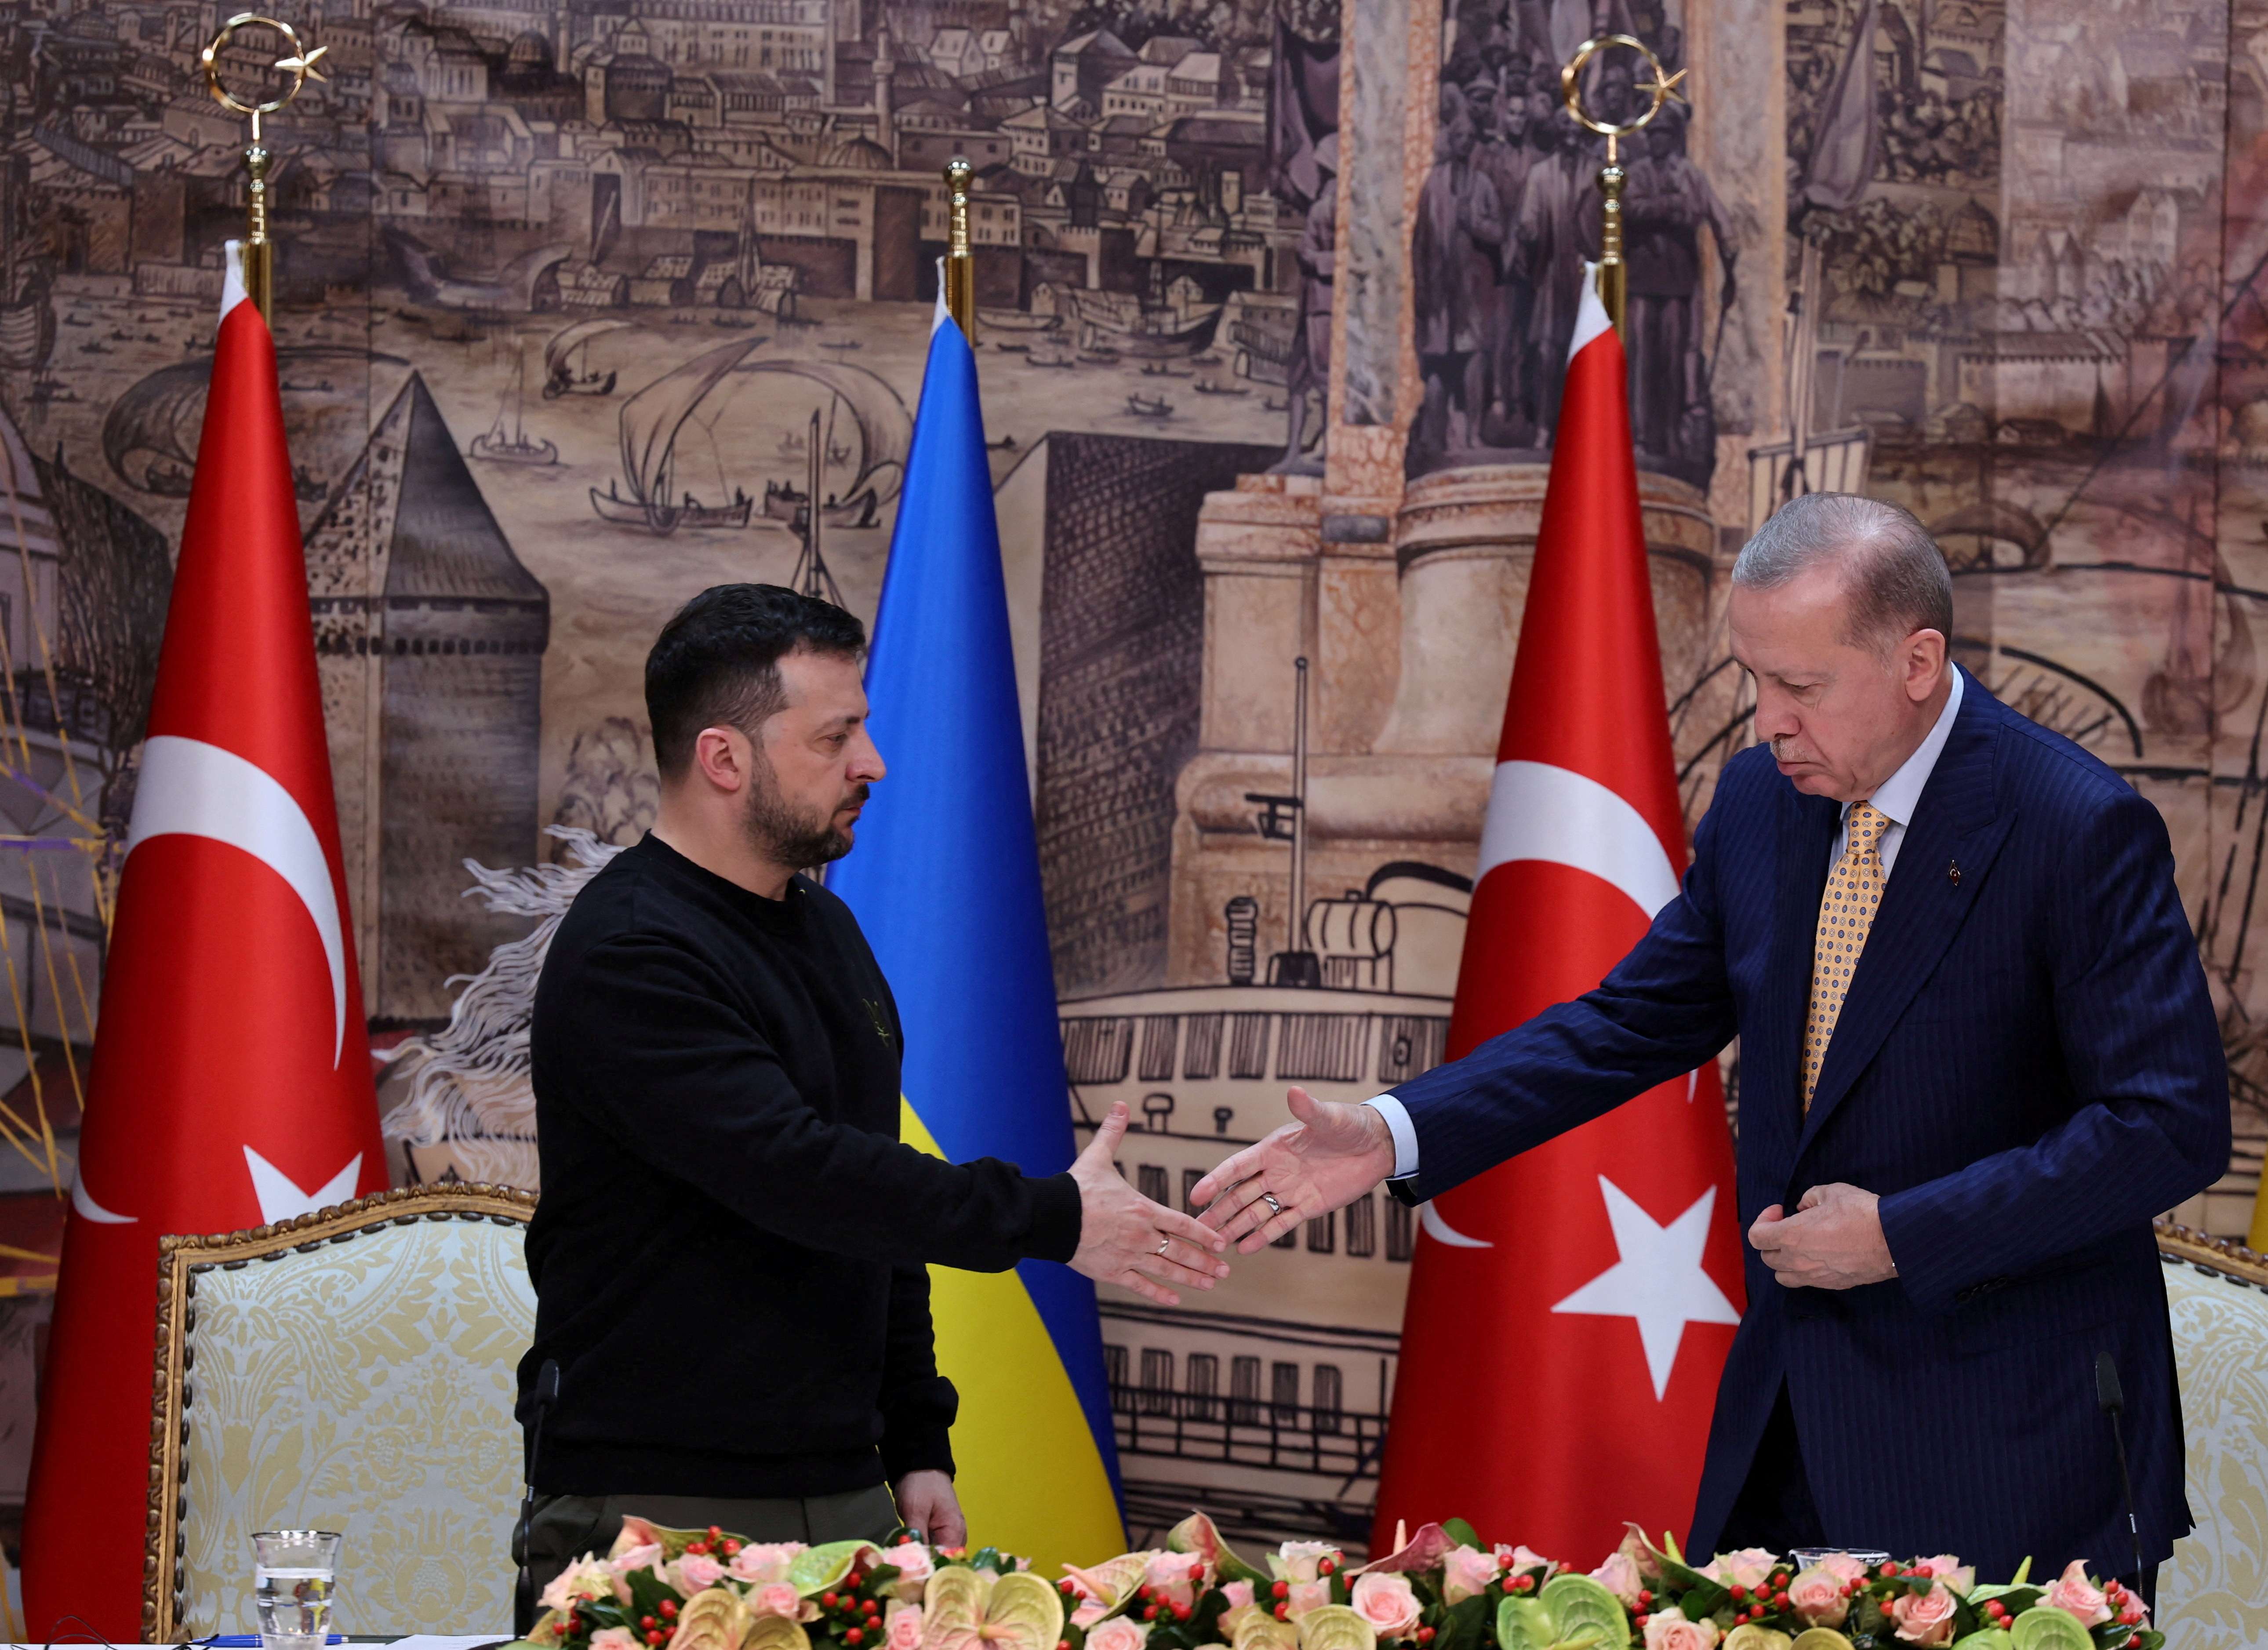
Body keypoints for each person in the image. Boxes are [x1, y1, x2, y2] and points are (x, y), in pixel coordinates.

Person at [1192, 495, 2228, 1592]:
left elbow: (2166, 1124)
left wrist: (1903, 1235)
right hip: (1785, 1429)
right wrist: (1394, 1133)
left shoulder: (2076, 824)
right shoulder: (1759, 801)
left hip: (2011, 1449)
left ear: (1918, 660)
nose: (1768, 720)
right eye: (1753, 679)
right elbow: (1630, 1020)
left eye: (1803, 687)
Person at [520, 585, 1227, 1589]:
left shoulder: (826, 930)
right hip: (661, 1506)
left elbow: (879, 1198)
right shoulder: (632, 950)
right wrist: (1053, 1217)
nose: (872, 762)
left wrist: (914, 1440)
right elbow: (801, 1173)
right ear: (725, 758)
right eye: (836, 735)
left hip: (849, 1489)